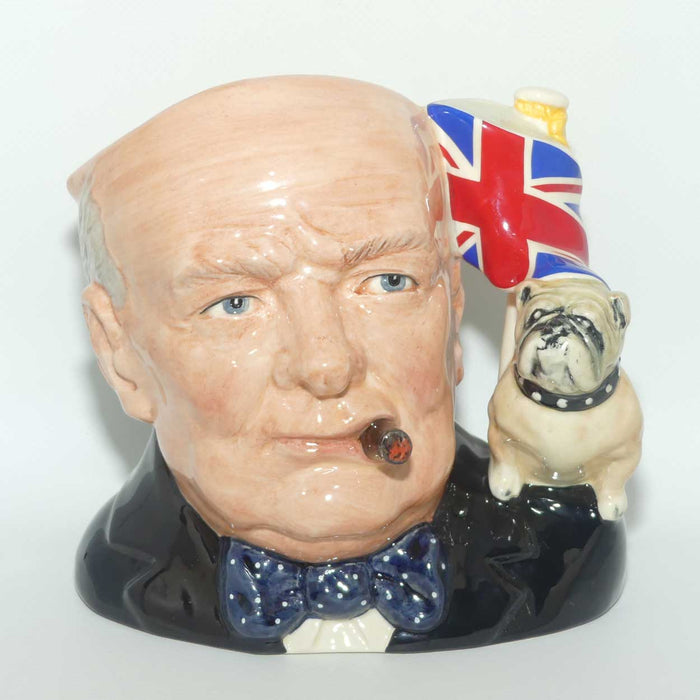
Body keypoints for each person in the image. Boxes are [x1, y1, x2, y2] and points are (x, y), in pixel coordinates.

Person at [69, 76, 626, 654]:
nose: (327, 365)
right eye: (234, 303)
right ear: (119, 352)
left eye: (388, 281)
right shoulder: (131, 568)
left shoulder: (557, 546)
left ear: (452, 307)